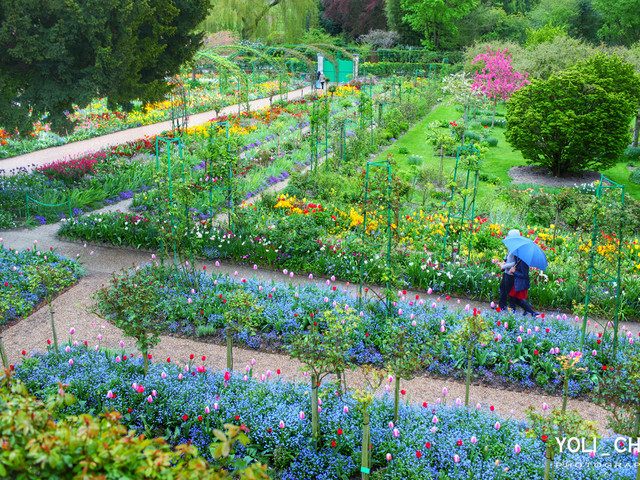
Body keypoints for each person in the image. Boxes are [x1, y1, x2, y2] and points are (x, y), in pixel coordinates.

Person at [497, 229, 519, 311]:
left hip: (511, 274)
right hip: (506, 272)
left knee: (510, 292)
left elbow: (514, 263)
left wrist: (504, 266)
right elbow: (508, 257)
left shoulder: (517, 249)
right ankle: (502, 306)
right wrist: (504, 260)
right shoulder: (511, 246)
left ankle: (512, 308)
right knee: (502, 288)